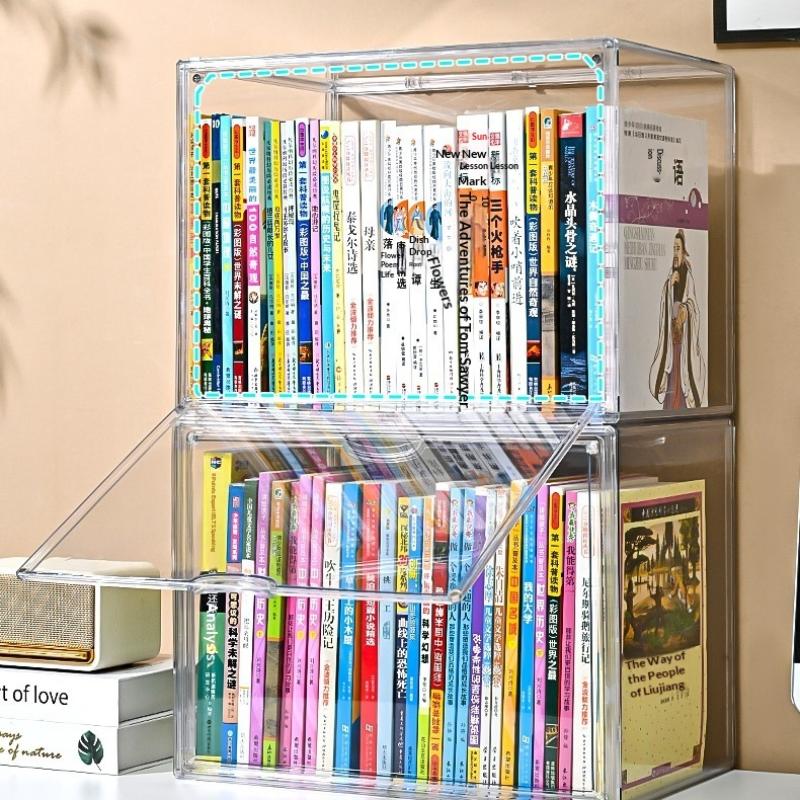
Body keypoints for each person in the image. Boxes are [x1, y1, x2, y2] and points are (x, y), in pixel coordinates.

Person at [648, 229, 706, 409]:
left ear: (684, 251)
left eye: (678, 248)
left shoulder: (688, 275)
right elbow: (664, 304)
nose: (675, 252)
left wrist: (685, 310)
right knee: (671, 374)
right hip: (671, 340)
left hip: (683, 339)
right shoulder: (671, 275)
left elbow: (694, 305)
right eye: (674, 248)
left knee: (681, 376)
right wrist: (669, 285)